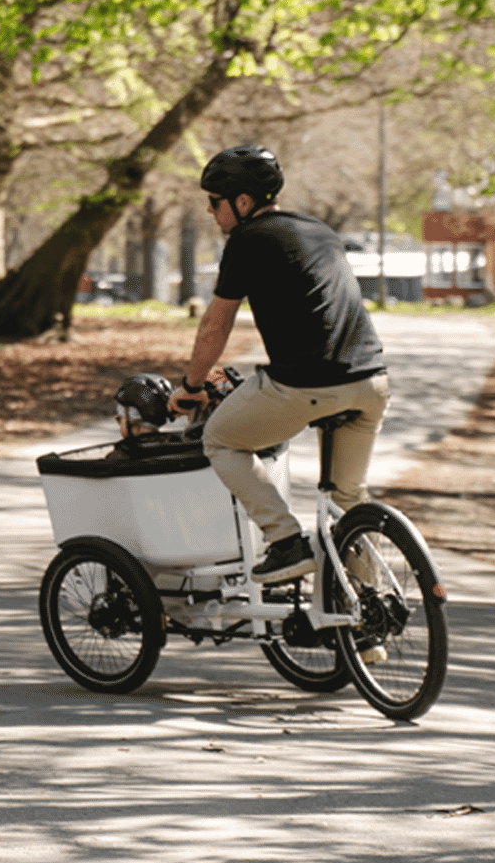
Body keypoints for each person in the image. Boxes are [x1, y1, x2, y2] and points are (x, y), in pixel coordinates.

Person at [166, 144, 389, 584]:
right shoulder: (319, 230)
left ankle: (285, 541)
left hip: (306, 384)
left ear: (242, 202)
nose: (211, 212)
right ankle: (368, 617)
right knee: (348, 497)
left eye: (214, 202)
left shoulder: (248, 239)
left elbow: (215, 325)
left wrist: (191, 384)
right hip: (371, 382)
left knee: (222, 440)